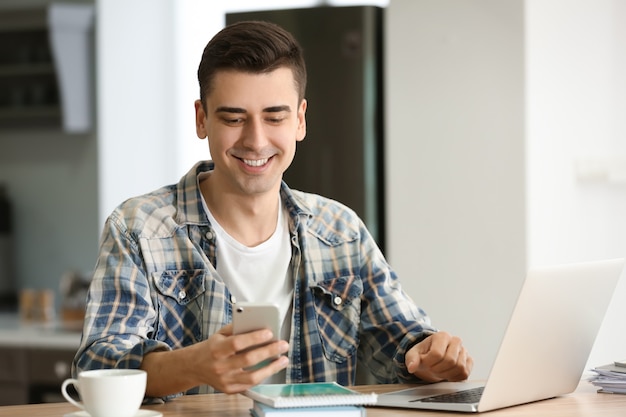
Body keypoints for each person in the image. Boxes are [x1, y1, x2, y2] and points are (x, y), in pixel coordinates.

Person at [73, 20, 473, 399]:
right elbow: (97, 366)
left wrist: (432, 354)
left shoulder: (341, 230)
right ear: (202, 119)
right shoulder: (138, 228)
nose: (256, 140)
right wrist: (192, 365)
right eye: (233, 118)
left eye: (274, 116)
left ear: (299, 120)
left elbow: (401, 343)